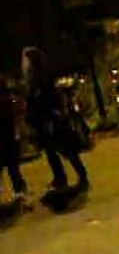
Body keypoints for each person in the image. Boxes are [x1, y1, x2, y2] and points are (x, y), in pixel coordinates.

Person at [22, 47, 90, 193]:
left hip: (50, 117)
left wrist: (52, 111)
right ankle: (62, 177)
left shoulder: (41, 77)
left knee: (64, 147)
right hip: (44, 117)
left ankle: (79, 175)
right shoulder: (34, 78)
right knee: (53, 151)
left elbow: (47, 96)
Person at [0, 69, 29, 203]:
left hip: (7, 135)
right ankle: (20, 191)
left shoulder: (6, 98)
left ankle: (20, 191)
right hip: (9, 135)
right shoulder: (8, 97)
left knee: (11, 166)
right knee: (13, 167)